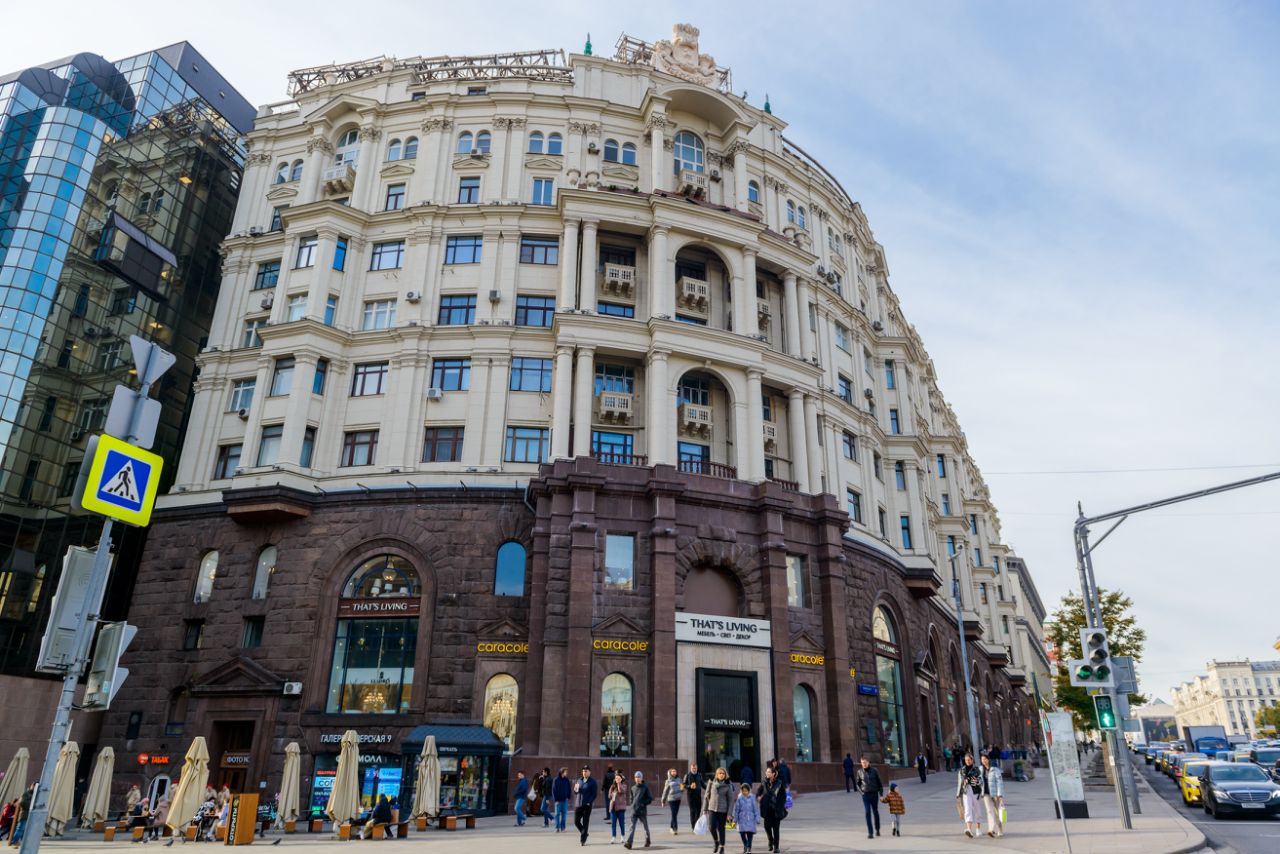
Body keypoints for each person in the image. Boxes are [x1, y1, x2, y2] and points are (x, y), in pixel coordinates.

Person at [702, 767, 733, 854]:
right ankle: (716, 841)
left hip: (723, 810)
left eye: (723, 773)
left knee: (721, 829)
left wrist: (729, 813)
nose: (721, 775)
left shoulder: (728, 784)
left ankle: (722, 847)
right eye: (720, 773)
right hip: (712, 808)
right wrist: (705, 809)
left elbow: (731, 800)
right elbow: (706, 795)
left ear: (725, 775)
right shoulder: (711, 782)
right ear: (717, 774)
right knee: (711, 827)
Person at [756, 767, 787, 854]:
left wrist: (780, 805)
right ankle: (770, 840)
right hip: (767, 809)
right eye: (766, 772)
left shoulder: (779, 783)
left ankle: (776, 847)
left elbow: (783, 796)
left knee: (776, 829)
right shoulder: (764, 782)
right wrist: (758, 797)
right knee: (767, 827)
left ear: (773, 774)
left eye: (769, 772)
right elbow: (758, 792)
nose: (767, 773)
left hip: (776, 810)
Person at [854, 757, 883, 840]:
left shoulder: (875, 771)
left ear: (868, 762)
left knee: (875, 811)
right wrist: (862, 792)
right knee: (867, 812)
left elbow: (880, 783)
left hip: (874, 794)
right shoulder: (859, 772)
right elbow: (857, 784)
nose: (863, 764)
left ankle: (877, 829)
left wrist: (881, 794)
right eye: (862, 762)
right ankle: (870, 832)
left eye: (865, 762)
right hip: (865, 795)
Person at [955, 753, 984, 838]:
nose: (967, 761)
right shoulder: (962, 770)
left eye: (969, 760)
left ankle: (978, 829)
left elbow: (981, 781)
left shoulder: (977, 769)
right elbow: (959, 782)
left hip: (976, 791)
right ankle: (969, 829)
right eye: (966, 760)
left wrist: (974, 781)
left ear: (972, 760)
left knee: (977, 810)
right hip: (966, 791)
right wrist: (958, 794)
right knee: (967, 810)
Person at [623, 771, 651, 850]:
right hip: (634, 811)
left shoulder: (645, 787)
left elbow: (650, 798)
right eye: (636, 777)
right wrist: (632, 805)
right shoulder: (633, 788)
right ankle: (629, 843)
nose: (637, 779)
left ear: (641, 778)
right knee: (632, 827)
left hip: (642, 811)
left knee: (645, 827)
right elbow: (631, 798)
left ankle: (648, 840)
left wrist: (643, 804)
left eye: (639, 777)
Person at [572, 765, 599, 846]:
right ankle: (584, 833)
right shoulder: (579, 780)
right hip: (578, 804)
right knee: (576, 821)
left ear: (589, 772)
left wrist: (589, 802)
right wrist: (575, 790)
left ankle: (583, 840)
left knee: (585, 822)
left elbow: (594, 794)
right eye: (583, 771)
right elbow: (576, 792)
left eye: (586, 771)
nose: (584, 772)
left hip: (587, 805)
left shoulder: (592, 782)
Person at [979, 753, 1004, 838]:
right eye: (982, 759)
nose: (984, 761)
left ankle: (1000, 829)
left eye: (985, 759)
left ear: (988, 759)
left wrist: (1000, 794)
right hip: (985, 793)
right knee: (989, 811)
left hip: (995, 794)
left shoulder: (995, 770)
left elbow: (1000, 782)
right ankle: (991, 829)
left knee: (997, 812)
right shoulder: (980, 770)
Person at [732, 783, 759, 853]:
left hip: (750, 819)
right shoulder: (739, 798)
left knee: (750, 835)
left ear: (749, 791)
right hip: (741, 819)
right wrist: (735, 820)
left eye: (746, 791)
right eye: (743, 791)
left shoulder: (752, 798)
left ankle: (749, 848)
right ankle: (745, 845)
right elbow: (736, 810)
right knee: (742, 834)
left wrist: (757, 818)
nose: (745, 792)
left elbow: (755, 809)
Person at [608, 769, 630, 844]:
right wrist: (612, 794)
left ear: (621, 779)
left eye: (618, 778)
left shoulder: (624, 785)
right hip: (613, 807)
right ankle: (613, 837)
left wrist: (619, 783)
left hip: (621, 808)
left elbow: (621, 791)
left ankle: (622, 836)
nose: (617, 779)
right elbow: (609, 796)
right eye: (616, 778)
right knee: (613, 824)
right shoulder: (612, 786)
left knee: (621, 823)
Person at [658, 768, 682, 835]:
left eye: (675, 771)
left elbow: (682, 787)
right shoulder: (668, 781)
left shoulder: (679, 779)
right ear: (670, 773)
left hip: (678, 799)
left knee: (675, 814)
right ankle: (675, 829)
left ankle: (671, 827)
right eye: (673, 771)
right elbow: (665, 791)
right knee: (674, 813)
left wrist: (682, 788)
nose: (674, 772)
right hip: (671, 799)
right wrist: (663, 801)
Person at [682, 763, 701, 833]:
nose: (694, 769)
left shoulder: (699, 775)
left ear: (697, 768)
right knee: (693, 811)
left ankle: (697, 825)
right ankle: (693, 826)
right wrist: (689, 786)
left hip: (698, 795)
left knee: (698, 811)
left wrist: (709, 788)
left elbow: (702, 784)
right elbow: (683, 785)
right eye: (693, 768)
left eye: (695, 768)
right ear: (690, 768)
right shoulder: (687, 775)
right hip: (690, 796)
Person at [552, 768, 572, 833]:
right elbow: (554, 790)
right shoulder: (556, 780)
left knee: (564, 815)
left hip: (565, 800)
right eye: (565, 772)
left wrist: (568, 797)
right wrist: (556, 800)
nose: (566, 773)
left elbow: (569, 789)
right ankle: (557, 828)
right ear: (562, 772)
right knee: (557, 814)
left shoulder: (566, 780)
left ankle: (563, 828)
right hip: (558, 801)